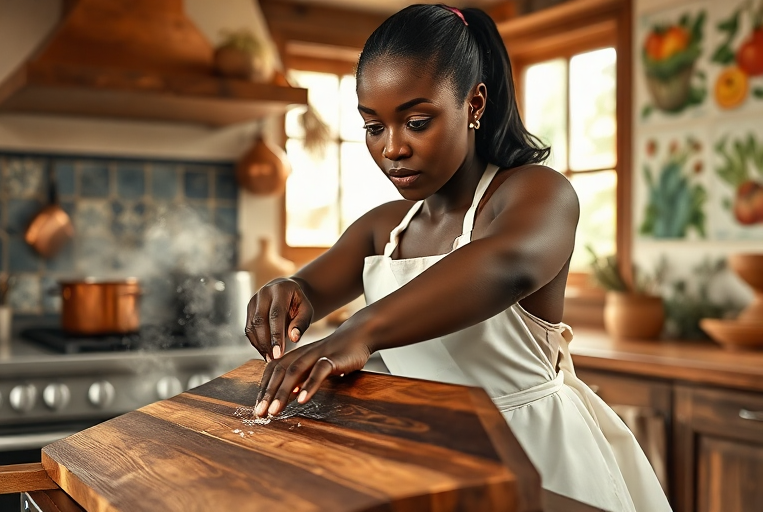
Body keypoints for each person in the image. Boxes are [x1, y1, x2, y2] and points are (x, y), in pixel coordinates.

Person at [245, 4, 671, 511]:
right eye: (373, 127)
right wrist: (288, 292)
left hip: (540, 462)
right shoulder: (383, 228)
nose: (393, 148)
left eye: (417, 121)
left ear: (474, 104)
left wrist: (360, 331)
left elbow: (504, 265)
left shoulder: (538, 193)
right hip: (428, 461)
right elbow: (311, 288)